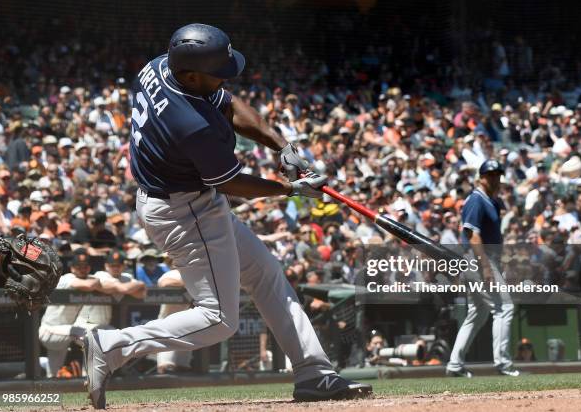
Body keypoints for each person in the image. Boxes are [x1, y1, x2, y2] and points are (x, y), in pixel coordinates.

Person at [82, 23, 372, 409]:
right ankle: (112, 345)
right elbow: (230, 181)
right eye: (216, 70)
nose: (224, 76)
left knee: (267, 274)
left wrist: (282, 144)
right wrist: (290, 189)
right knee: (218, 319)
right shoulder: (189, 124)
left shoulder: (161, 65)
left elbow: (228, 102)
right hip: (184, 210)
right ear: (189, 72)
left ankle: (313, 373)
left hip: (184, 200)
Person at [446, 159, 520, 378]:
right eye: (491, 175)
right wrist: (486, 267)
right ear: (481, 177)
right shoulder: (476, 199)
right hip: (478, 259)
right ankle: (503, 364)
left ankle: (455, 365)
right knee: (504, 308)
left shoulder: (492, 201)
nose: (495, 178)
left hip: (483, 260)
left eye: (498, 174)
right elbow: (472, 235)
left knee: (476, 314)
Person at [39, 249, 103, 378]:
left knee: (53, 376)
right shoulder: (66, 278)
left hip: (64, 331)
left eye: (85, 266)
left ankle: (44, 368)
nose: (82, 269)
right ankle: (89, 377)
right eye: (78, 267)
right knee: (88, 336)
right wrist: (97, 281)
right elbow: (90, 286)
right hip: (50, 331)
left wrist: (97, 282)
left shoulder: (88, 278)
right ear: (72, 268)